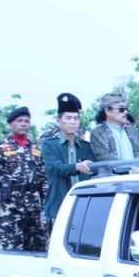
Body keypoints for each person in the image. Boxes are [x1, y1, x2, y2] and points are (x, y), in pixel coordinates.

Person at [0, 106, 48, 252]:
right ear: (11, 124)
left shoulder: (36, 148)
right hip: (10, 206)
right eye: (19, 121)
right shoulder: (0, 148)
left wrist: (45, 206)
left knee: (37, 245)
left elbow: (44, 180)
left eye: (26, 121)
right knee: (12, 247)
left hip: (33, 206)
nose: (24, 124)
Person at [42, 94, 94, 224]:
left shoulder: (86, 146)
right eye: (68, 118)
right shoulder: (49, 144)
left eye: (76, 118)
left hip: (84, 205)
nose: (72, 122)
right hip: (59, 205)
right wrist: (77, 167)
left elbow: (95, 169)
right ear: (59, 121)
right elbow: (55, 167)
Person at [89, 92, 139, 170]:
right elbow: (104, 157)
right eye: (121, 109)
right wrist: (129, 167)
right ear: (108, 111)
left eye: (126, 109)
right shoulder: (97, 133)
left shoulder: (134, 132)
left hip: (137, 179)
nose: (125, 112)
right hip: (112, 180)